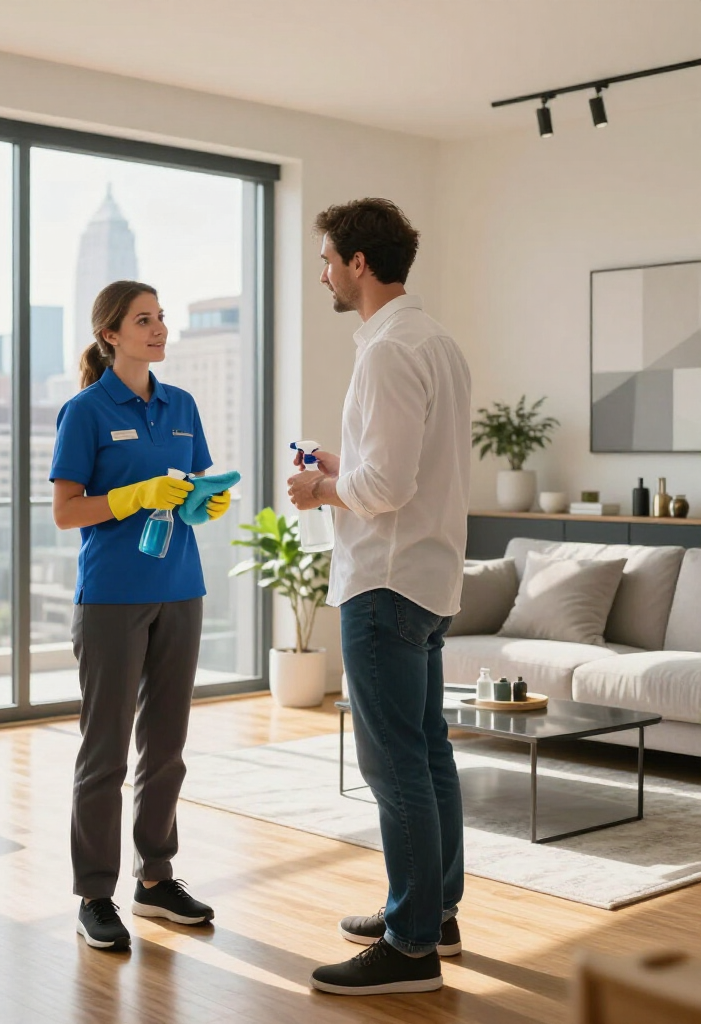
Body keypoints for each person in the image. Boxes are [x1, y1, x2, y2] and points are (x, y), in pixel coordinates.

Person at [287, 199, 471, 996]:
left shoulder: (388, 351)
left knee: (393, 763)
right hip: (427, 578)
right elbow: (408, 466)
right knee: (427, 754)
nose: (323, 271)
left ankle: (409, 948)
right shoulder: (437, 343)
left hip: (385, 582)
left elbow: (385, 487)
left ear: (360, 263)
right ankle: (434, 913)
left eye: (328, 258)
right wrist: (340, 462)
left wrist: (319, 485)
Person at [51, 279, 232, 952]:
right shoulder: (87, 411)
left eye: (161, 318)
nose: (159, 329)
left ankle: (155, 880)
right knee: (105, 753)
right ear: (111, 335)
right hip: (111, 597)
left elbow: (196, 485)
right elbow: (67, 511)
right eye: (144, 319)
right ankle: (94, 894)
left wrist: (200, 503)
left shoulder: (182, 406)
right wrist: (132, 496)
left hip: (182, 588)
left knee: (167, 748)